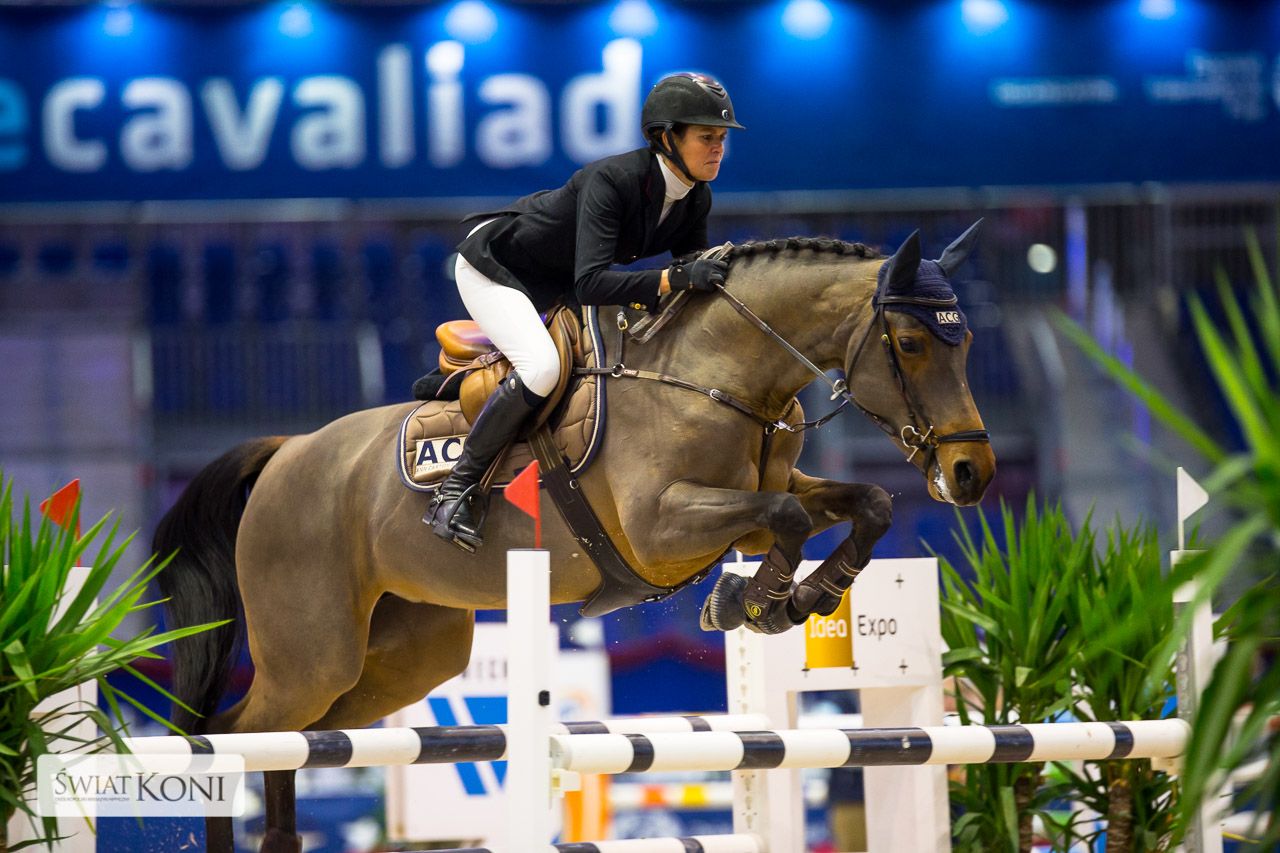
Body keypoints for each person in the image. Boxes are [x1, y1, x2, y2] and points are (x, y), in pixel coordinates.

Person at [424, 72, 745, 551]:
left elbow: (691, 274)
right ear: (666, 138)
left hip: (555, 279)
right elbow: (593, 283)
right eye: (706, 137)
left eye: (721, 138)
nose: (717, 148)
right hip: (499, 267)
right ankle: (455, 492)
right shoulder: (612, 179)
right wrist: (671, 279)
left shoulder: (695, 195)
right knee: (542, 368)